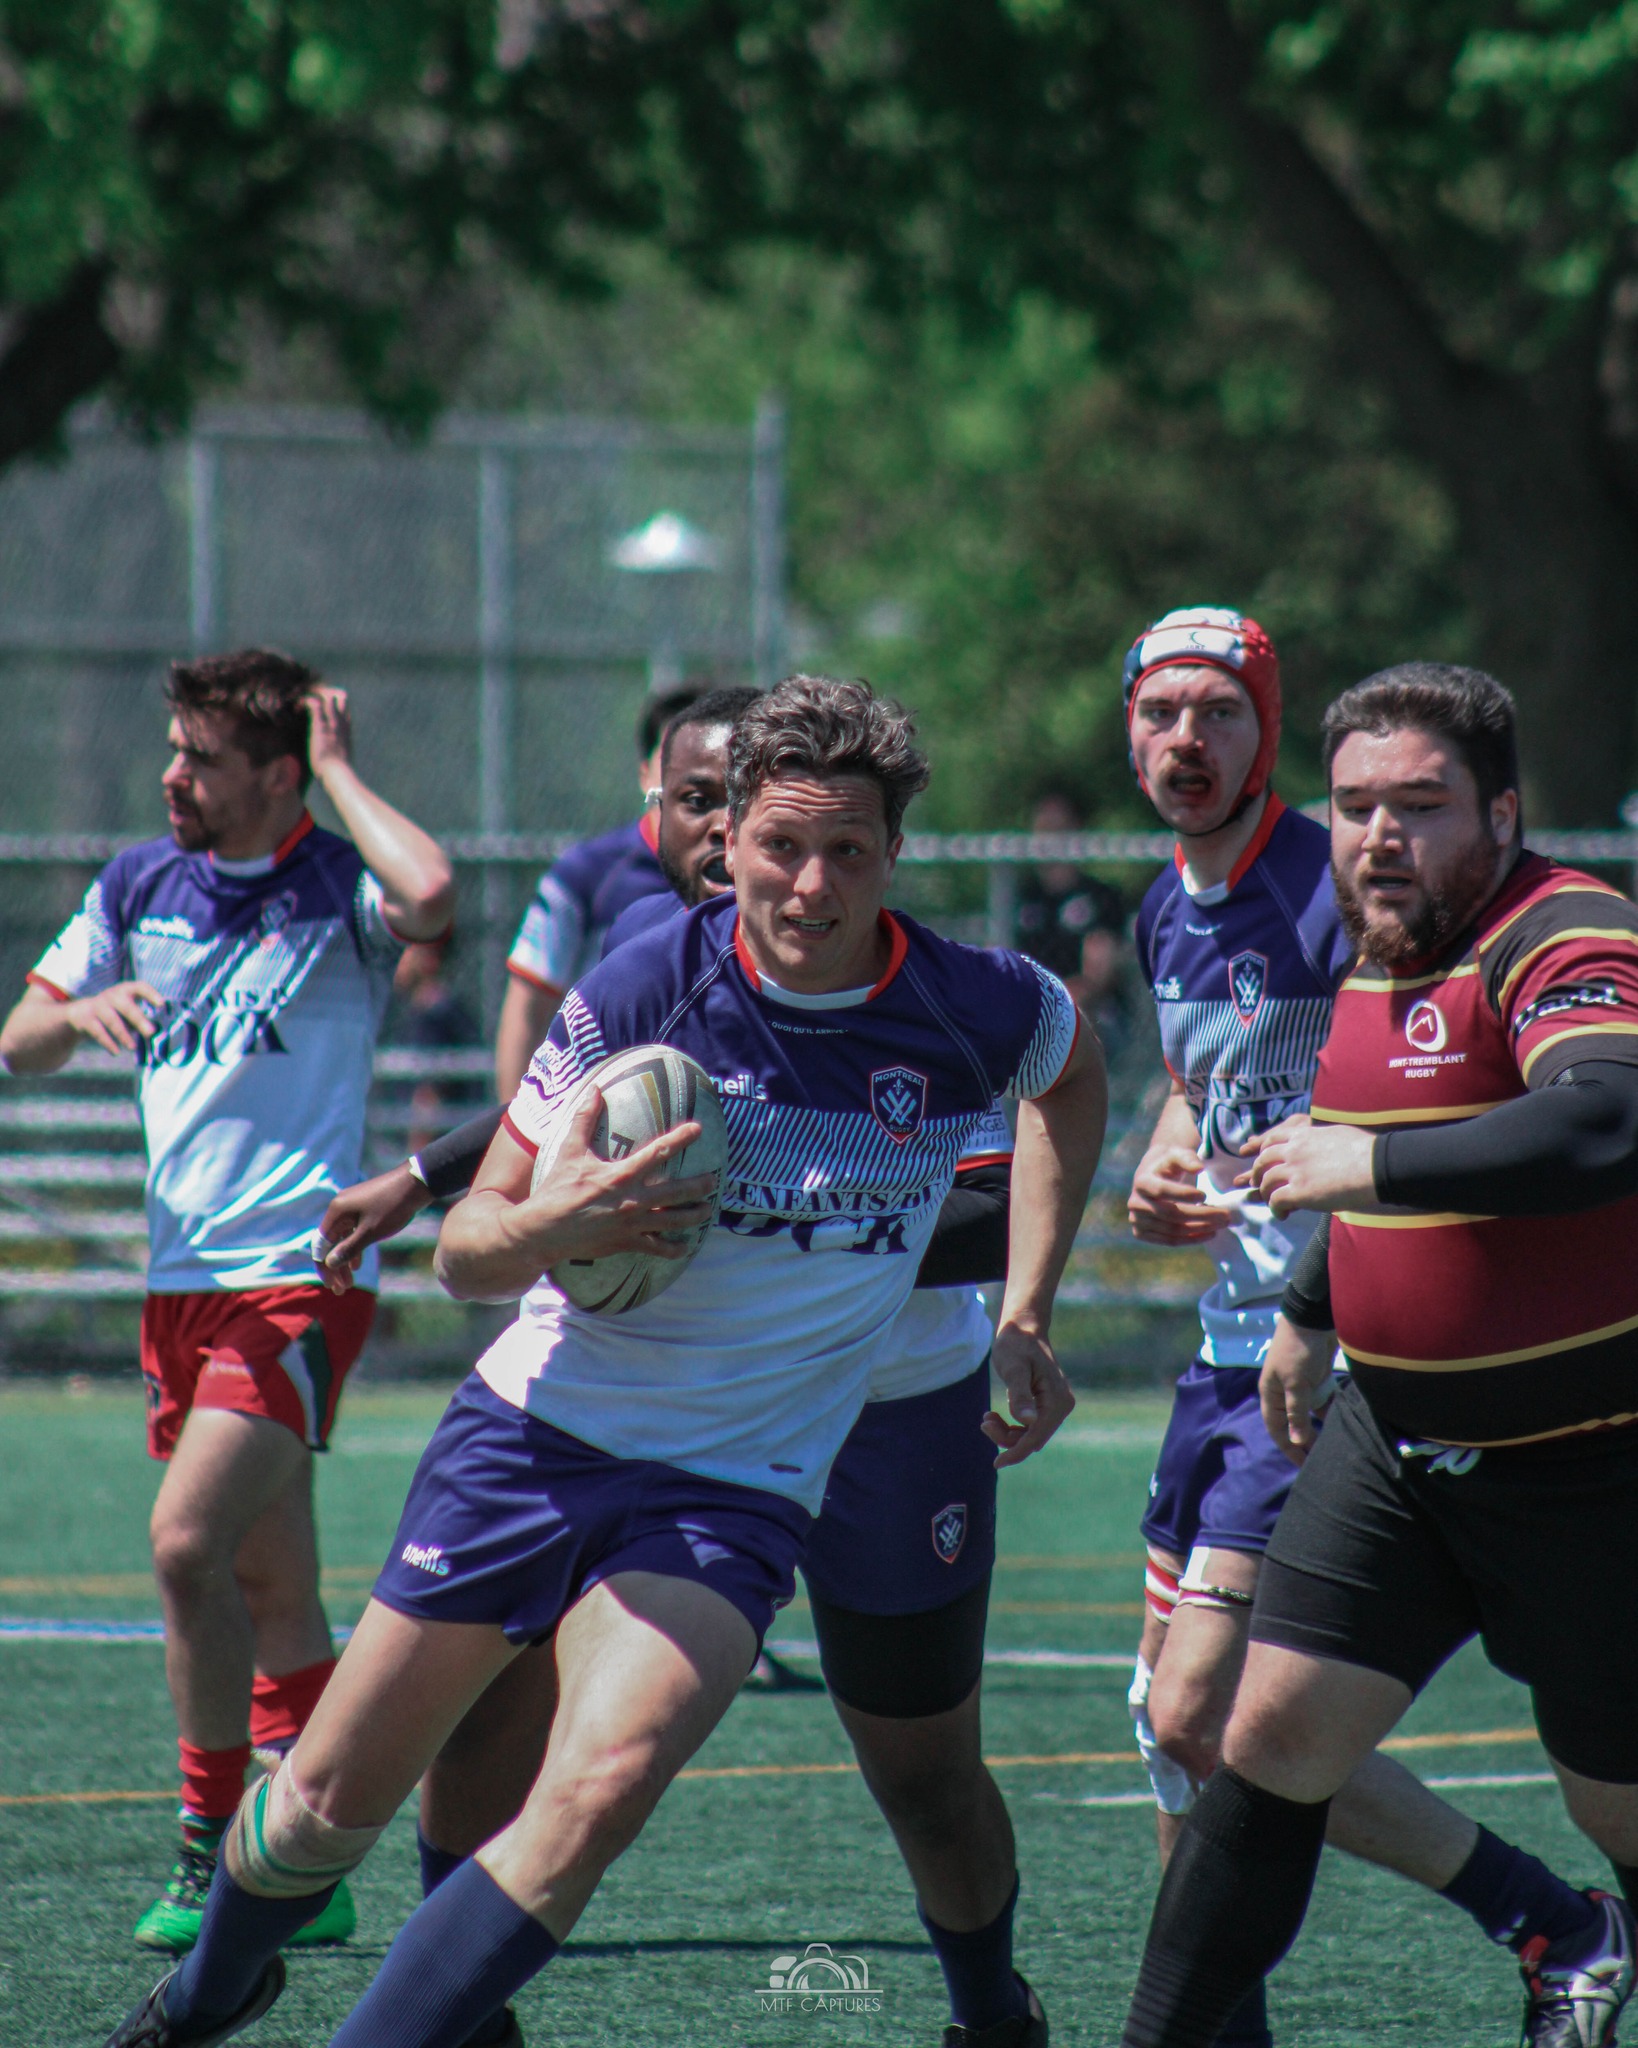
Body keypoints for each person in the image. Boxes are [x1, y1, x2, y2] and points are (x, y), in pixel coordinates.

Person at [100, 674, 1106, 2048]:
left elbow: (1069, 1070)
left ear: (894, 854)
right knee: (324, 1808)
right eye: (781, 846)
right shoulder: (649, 983)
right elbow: (468, 1254)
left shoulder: (971, 1002)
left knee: (598, 1787)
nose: (811, 885)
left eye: (849, 853)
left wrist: (1026, 1311)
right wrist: (554, 1221)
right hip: (534, 1442)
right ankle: (211, 1990)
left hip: (732, 1489)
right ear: (729, 835)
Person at [1118, 662, 1638, 2048]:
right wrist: (1306, 1310)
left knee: (1618, 1805)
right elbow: (1347, 1155)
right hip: (1395, 1451)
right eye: (1353, 807)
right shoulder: (1377, 942)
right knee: (1263, 1737)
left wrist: (1373, 1165)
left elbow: (1601, 1125)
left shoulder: (1564, 927)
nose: (1376, 837)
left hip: (1588, 1468)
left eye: (1418, 804)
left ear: (1502, 810)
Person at [0, 651, 454, 1956]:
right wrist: (79, 1010)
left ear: (273, 772)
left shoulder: (335, 887)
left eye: (201, 758)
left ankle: (212, 1850)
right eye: (174, 749)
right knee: (271, 1584)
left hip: (298, 1277)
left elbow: (430, 893)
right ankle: (313, 1860)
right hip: (178, 1285)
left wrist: (341, 773)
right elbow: (16, 1040)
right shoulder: (139, 882)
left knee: (186, 1544)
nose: (172, 776)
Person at [493, 681, 710, 1099]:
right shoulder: (586, 876)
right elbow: (528, 1008)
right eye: (675, 760)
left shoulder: (755, 879)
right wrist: (512, 1127)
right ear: (645, 772)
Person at [1014, 791, 1128, 1049]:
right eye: (1043, 830)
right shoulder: (1022, 899)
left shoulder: (1100, 897)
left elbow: (1096, 977)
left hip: (1089, 1017)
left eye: (1059, 830)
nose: (1050, 840)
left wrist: (1046, 1009)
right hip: (1027, 1014)